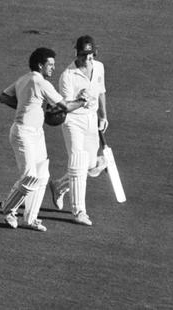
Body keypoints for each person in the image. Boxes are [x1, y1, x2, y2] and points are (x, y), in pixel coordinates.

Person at [0, 47, 86, 232]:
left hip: (36, 133)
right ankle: (8, 209)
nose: (53, 68)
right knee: (30, 176)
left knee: (43, 176)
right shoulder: (41, 82)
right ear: (40, 65)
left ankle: (30, 219)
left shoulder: (23, 79)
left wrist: (28, 105)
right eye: (50, 64)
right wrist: (82, 101)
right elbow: (66, 107)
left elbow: (3, 97)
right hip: (23, 133)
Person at [47, 35, 108, 226]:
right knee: (78, 163)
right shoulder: (68, 76)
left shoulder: (99, 67)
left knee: (90, 165)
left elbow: (101, 91)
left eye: (89, 54)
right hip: (73, 121)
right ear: (77, 53)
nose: (86, 58)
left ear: (94, 53)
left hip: (91, 120)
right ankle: (79, 211)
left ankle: (59, 186)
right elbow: (65, 107)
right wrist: (80, 101)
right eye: (82, 54)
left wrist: (103, 116)